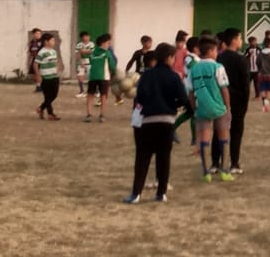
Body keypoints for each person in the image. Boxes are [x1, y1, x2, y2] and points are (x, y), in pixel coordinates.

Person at [123, 42, 189, 204]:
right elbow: (183, 99)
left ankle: (136, 194)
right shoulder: (174, 76)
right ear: (169, 57)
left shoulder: (146, 75)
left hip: (148, 121)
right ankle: (161, 193)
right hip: (167, 121)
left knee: (142, 158)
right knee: (163, 158)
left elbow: (140, 97)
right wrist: (172, 106)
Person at [189, 36, 233, 182]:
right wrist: (228, 107)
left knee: (204, 139)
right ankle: (224, 171)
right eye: (215, 50)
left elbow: (190, 92)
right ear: (210, 51)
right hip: (219, 107)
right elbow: (224, 88)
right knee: (223, 137)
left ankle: (206, 172)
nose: (217, 53)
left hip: (202, 108)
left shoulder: (194, 69)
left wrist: (194, 107)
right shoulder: (218, 67)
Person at [216, 28, 250, 175]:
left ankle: (215, 163)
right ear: (234, 40)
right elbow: (245, 85)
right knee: (236, 133)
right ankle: (234, 163)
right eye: (240, 38)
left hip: (220, 101)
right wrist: (245, 104)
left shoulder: (219, 58)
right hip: (237, 102)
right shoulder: (241, 59)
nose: (241, 41)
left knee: (218, 131)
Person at [85, 33, 118, 123]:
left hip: (92, 77)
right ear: (103, 43)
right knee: (103, 96)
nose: (109, 45)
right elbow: (112, 65)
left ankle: (89, 115)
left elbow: (91, 62)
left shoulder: (92, 53)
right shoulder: (107, 53)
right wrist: (114, 73)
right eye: (108, 43)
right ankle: (102, 115)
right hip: (104, 77)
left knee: (90, 95)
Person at [34, 32, 62, 120]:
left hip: (54, 76)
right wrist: (38, 75)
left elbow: (56, 62)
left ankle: (41, 108)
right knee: (47, 96)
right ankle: (50, 114)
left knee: (54, 95)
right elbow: (35, 64)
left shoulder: (54, 51)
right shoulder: (42, 52)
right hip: (45, 77)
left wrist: (57, 70)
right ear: (46, 42)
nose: (54, 42)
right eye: (52, 40)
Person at [256, 37, 270, 112]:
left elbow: (257, 62)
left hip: (261, 74)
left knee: (262, 89)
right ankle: (266, 104)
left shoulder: (260, 53)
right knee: (267, 90)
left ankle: (264, 101)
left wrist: (260, 69)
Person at [74, 31, 94, 98]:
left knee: (91, 77)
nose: (87, 38)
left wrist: (83, 51)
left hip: (90, 62)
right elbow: (78, 54)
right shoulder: (79, 45)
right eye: (85, 36)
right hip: (81, 62)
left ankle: (94, 91)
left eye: (88, 36)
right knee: (80, 76)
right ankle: (81, 91)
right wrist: (81, 63)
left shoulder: (91, 44)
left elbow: (91, 52)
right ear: (82, 37)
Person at [27, 28, 43, 92]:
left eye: (39, 33)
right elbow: (30, 51)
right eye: (37, 33)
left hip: (41, 59)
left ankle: (43, 87)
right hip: (35, 59)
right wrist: (29, 59)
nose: (38, 35)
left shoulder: (42, 42)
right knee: (35, 75)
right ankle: (38, 87)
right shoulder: (32, 42)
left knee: (41, 73)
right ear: (33, 34)